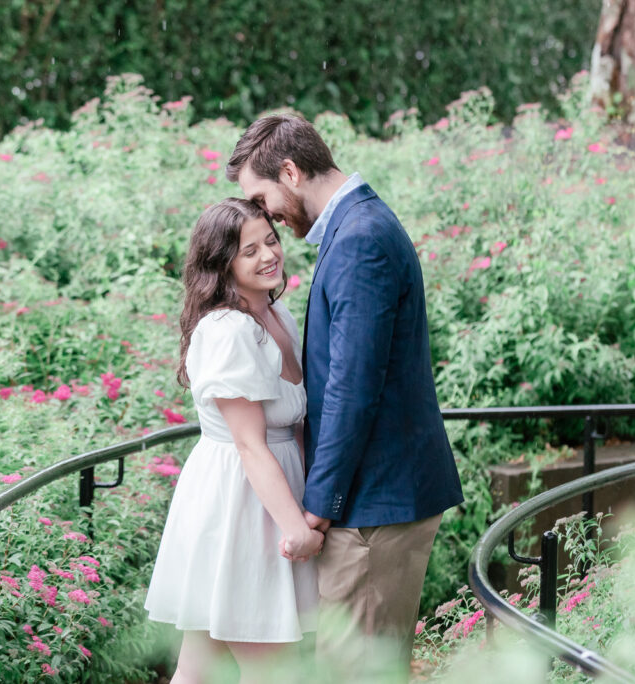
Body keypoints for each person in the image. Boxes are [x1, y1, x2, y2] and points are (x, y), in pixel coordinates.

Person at [226, 114, 464, 666]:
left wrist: (320, 506)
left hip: (371, 508)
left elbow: (353, 391)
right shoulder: (358, 226)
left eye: (262, 197)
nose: (267, 216)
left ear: (290, 171)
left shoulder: (360, 239)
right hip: (372, 501)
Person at [145, 198, 322, 683]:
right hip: (240, 503)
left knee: (198, 669)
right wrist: (298, 529)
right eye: (250, 251)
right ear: (222, 263)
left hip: (269, 491)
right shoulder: (228, 331)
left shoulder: (275, 315)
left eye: (271, 240)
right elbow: (249, 444)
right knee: (272, 671)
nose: (269, 255)